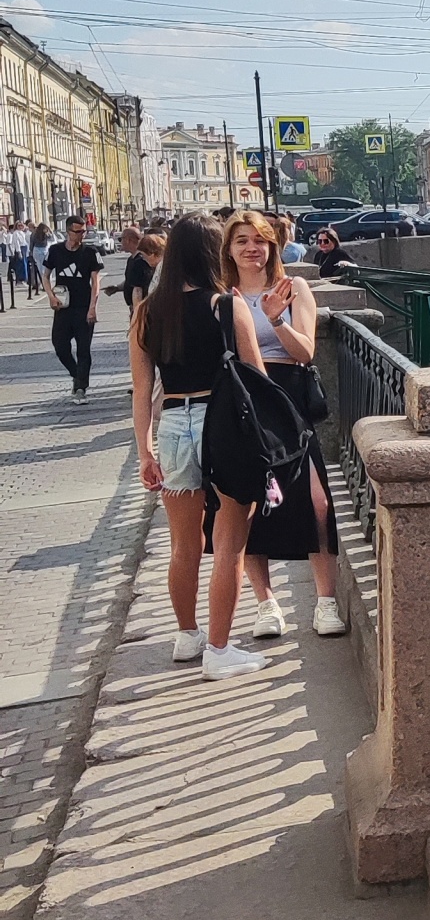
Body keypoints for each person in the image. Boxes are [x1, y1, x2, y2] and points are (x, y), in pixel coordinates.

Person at [129, 213, 271, 678]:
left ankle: (186, 636)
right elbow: (257, 381)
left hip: (172, 422)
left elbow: (140, 389)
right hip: (221, 423)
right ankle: (219, 649)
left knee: (183, 544)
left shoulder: (147, 313)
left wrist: (145, 452)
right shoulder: (226, 306)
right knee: (229, 541)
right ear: (215, 253)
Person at [218, 210, 346, 640]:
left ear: (274, 245)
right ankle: (266, 603)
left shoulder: (293, 288)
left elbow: (306, 351)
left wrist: (275, 319)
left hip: (288, 399)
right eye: (242, 241)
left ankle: (326, 601)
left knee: (317, 503)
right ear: (229, 249)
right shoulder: (221, 295)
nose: (252, 247)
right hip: (243, 401)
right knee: (248, 507)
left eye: (260, 240)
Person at [44, 215, 102, 398]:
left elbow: (95, 281)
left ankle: (80, 388)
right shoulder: (55, 251)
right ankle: (76, 374)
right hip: (63, 307)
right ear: (68, 231)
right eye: (78, 232)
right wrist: (50, 296)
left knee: (84, 349)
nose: (82, 235)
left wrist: (93, 306)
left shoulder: (90, 252)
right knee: (60, 346)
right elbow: (45, 275)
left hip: (83, 307)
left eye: (84, 231)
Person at [123, 230, 161, 317]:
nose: (143, 259)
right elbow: (131, 281)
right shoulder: (131, 260)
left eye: (121, 239)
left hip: (147, 308)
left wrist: (137, 314)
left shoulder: (141, 262)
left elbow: (138, 289)